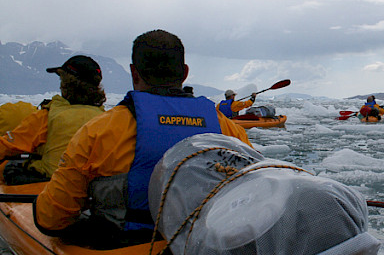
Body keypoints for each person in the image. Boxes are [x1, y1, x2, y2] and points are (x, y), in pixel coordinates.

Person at [34, 30, 252, 242]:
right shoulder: (229, 129)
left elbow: (51, 219)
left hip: (124, 244)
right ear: (185, 73)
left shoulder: (98, 131)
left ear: (134, 73)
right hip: (205, 245)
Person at [1, 55, 106, 185]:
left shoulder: (46, 117)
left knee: (9, 167)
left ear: (66, 84)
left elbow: (8, 146)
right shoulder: (106, 119)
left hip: (49, 184)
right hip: (93, 188)